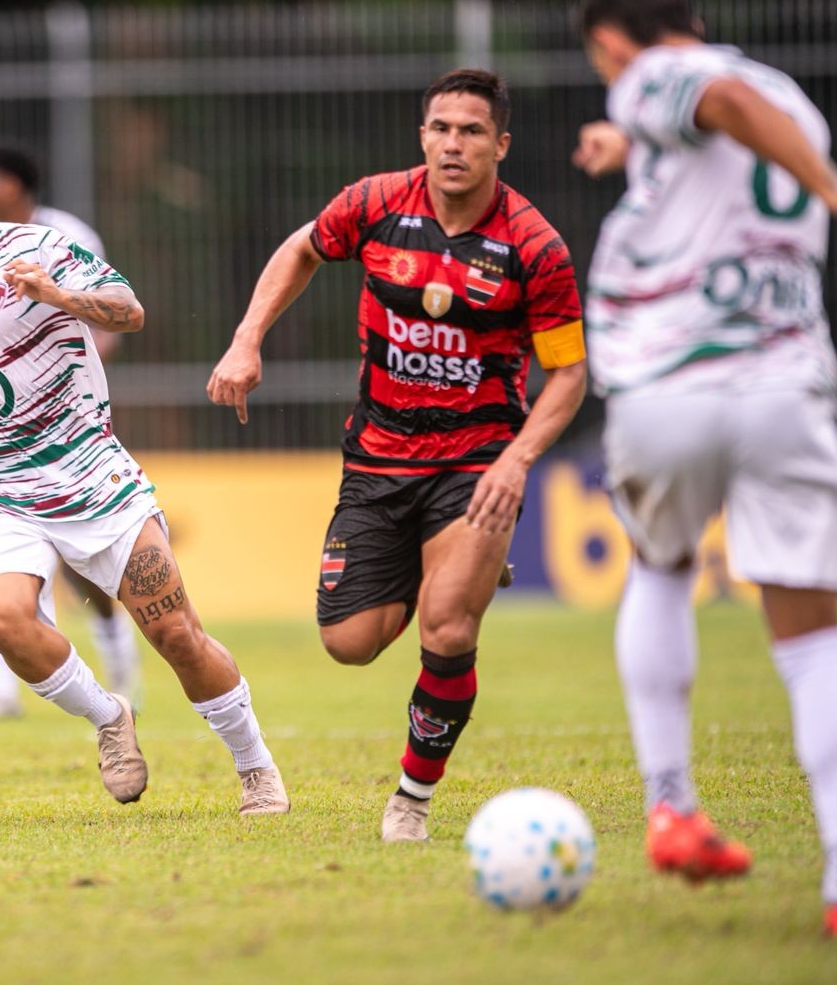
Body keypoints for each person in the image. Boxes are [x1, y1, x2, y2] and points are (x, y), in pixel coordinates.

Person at [572, 0, 837, 936]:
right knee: (815, 640)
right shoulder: (795, 100)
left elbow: (717, 96)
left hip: (670, 378)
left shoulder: (666, 71)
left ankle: (672, 804)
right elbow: (727, 124)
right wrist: (634, 144)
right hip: (782, 389)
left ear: (614, 41)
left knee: (660, 566)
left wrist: (830, 190)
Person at [0, 117, 288, 815]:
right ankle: (107, 718)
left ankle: (255, 766)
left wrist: (56, 296)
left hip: (93, 478)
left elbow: (129, 312)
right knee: (0, 617)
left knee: (176, 633)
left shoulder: (41, 248)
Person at [208, 70, 588, 840]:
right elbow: (300, 249)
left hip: (477, 461)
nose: (454, 143)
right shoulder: (376, 204)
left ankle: (411, 799)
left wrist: (517, 460)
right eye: (441, 128)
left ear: (500, 145)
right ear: (423, 136)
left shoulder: (533, 245)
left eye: (472, 131)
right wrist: (247, 340)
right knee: (348, 643)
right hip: (379, 459)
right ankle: (447, 563)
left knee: (448, 629)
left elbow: (570, 374)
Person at [0, 145, 142, 724]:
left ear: (16, 187)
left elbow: (105, 316)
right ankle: (0, 691)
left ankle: (118, 655)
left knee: (84, 565)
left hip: (65, 426)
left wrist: (64, 385)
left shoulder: (63, 236)